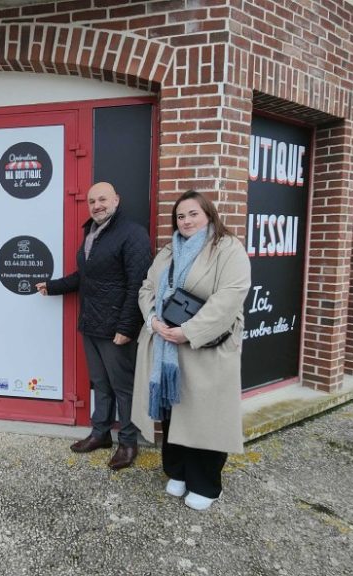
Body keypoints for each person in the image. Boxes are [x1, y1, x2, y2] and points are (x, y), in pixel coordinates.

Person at [132, 190, 251, 510]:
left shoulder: (227, 249)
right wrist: (153, 320)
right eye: (181, 216)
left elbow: (230, 297)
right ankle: (178, 471)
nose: (186, 221)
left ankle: (207, 484)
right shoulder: (168, 252)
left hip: (205, 349)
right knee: (174, 414)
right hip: (166, 346)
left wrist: (188, 332)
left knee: (205, 418)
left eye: (193, 214)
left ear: (209, 215)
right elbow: (147, 288)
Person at [36, 182, 151, 470]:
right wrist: (53, 286)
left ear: (116, 199)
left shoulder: (132, 233)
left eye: (102, 199)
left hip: (116, 327)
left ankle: (128, 442)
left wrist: (126, 327)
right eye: (91, 201)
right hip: (91, 322)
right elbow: (86, 276)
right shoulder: (92, 232)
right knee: (100, 383)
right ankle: (100, 433)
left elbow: (138, 284)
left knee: (122, 387)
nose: (97, 205)